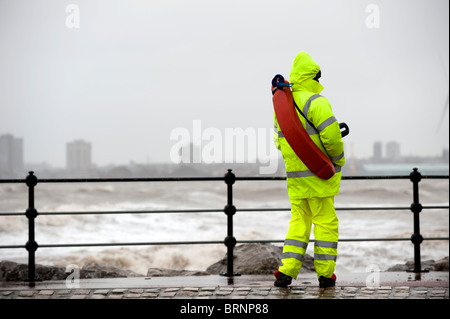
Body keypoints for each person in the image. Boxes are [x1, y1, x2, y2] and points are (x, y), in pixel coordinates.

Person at [273, 51, 345, 288]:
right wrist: (338, 161)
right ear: (313, 77)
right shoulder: (317, 102)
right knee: (325, 224)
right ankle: (325, 275)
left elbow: (278, 142)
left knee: (298, 225)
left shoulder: (283, 107)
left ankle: (286, 273)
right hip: (319, 178)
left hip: (296, 181)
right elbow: (332, 137)